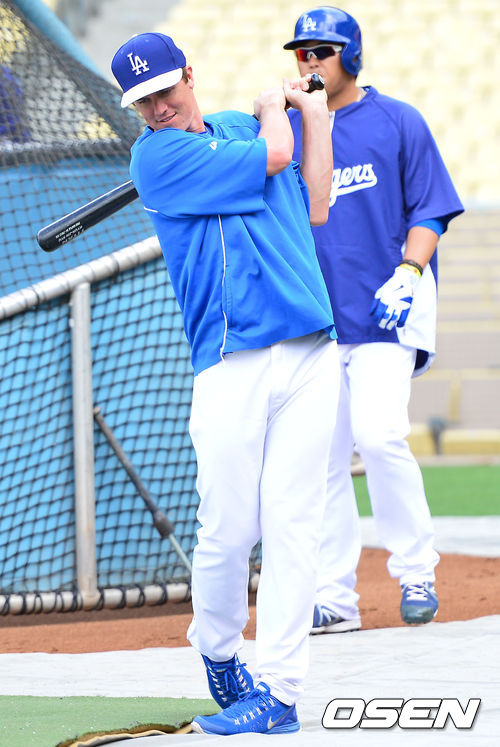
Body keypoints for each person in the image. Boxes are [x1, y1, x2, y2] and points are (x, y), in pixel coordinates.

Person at [111, 31, 339, 735]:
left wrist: (315, 118)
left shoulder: (241, 127)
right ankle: (216, 647)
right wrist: (276, 111)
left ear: (188, 74)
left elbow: (317, 202)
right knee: (228, 529)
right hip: (231, 357)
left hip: (309, 347)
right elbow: (274, 157)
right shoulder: (156, 158)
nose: (158, 108)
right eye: (143, 101)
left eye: (165, 90)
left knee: (295, 526)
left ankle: (281, 690)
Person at [283, 6, 464, 632]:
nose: (309, 61)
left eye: (322, 51)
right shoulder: (288, 128)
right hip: (316, 322)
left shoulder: (397, 120)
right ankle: (335, 598)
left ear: (352, 56)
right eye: (302, 52)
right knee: (323, 461)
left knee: (381, 436)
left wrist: (410, 271)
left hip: (384, 312)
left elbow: (431, 209)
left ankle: (416, 573)